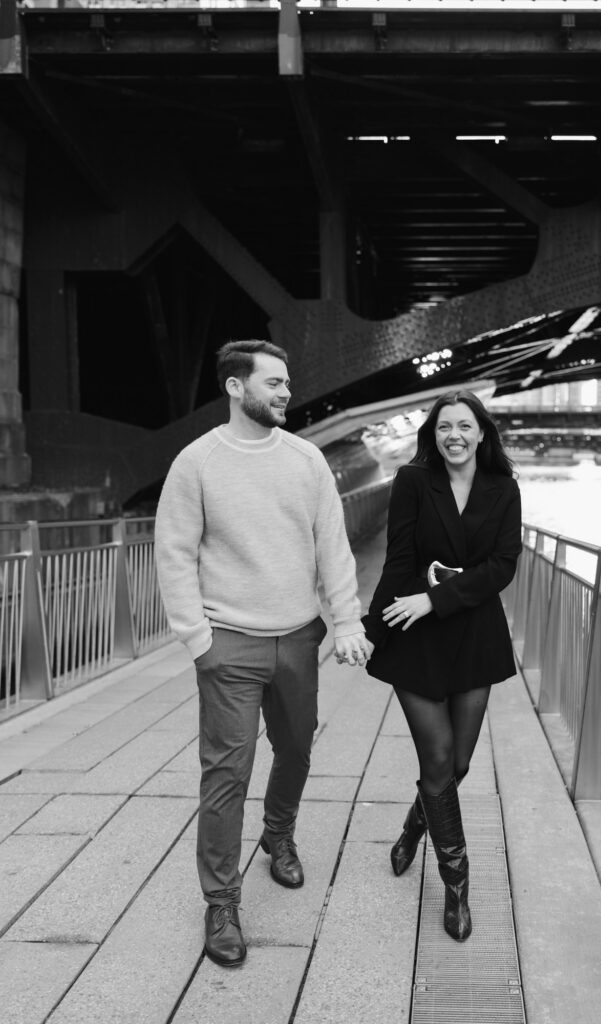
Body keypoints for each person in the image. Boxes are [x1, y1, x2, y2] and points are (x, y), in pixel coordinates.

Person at [154, 339, 371, 968]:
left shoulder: (305, 460)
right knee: (227, 773)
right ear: (234, 386)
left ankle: (279, 836)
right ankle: (221, 901)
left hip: (300, 637)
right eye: (273, 383)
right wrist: (200, 639)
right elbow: (173, 552)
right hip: (230, 643)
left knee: (298, 749)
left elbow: (333, 544)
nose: (286, 393)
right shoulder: (196, 463)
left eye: (286, 383)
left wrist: (347, 618)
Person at [362, 390, 521, 943]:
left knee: (456, 766)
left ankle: (413, 828)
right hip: (417, 639)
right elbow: (399, 559)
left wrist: (437, 597)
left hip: (474, 635)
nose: (454, 434)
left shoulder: (504, 489)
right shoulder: (412, 482)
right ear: (434, 433)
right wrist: (369, 631)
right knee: (437, 757)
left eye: (465, 425)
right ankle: (457, 887)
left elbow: (503, 565)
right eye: (445, 426)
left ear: (482, 433)